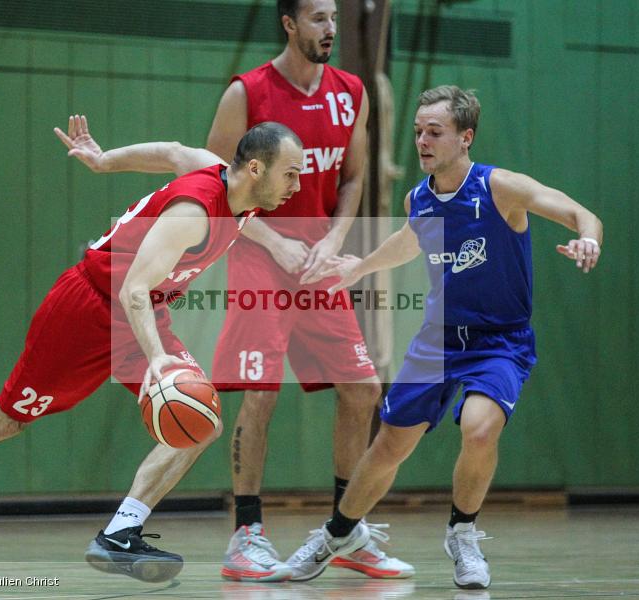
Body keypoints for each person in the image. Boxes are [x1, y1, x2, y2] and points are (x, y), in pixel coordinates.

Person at [0, 116, 304, 584]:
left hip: (144, 312)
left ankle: (120, 533)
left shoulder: (229, 183)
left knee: (200, 424)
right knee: (6, 420)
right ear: (257, 169)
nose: (297, 185)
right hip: (89, 309)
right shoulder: (194, 214)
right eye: (291, 173)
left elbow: (172, 150)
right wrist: (158, 358)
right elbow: (133, 291)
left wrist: (105, 161)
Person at [283, 85, 604, 588]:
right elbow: (409, 240)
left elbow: (579, 212)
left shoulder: (501, 188)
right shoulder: (420, 197)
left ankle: (463, 534)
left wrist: (588, 238)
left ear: (465, 137)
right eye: (417, 133)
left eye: (435, 132)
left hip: (500, 341)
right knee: (389, 445)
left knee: (479, 427)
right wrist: (360, 267)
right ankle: (336, 534)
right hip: (438, 339)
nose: (422, 141)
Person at [205, 0, 412, 581]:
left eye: (333, 19)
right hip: (257, 257)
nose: (330, 30)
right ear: (289, 24)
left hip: (319, 265)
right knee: (261, 392)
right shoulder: (246, 93)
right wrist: (275, 244)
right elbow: (214, 183)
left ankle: (345, 531)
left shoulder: (352, 91)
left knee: (363, 389)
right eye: (318, 19)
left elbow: (352, 178)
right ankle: (246, 535)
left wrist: (335, 239)